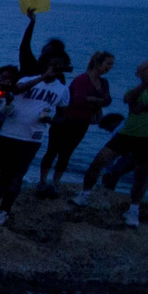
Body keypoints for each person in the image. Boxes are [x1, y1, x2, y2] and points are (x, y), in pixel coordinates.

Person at [73, 60, 148, 228]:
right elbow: (130, 101)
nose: (141, 74)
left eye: (144, 71)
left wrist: (146, 106)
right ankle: (84, 194)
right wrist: (145, 86)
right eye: (140, 72)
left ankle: (133, 210)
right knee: (99, 161)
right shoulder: (136, 90)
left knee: (141, 176)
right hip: (127, 134)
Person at [0, 56, 69, 228]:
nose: (53, 69)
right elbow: (16, 90)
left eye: (58, 67)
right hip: (6, 133)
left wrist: (51, 120)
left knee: (12, 178)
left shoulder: (62, 89)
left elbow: (62, 115)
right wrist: (42, 78)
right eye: (52, 65)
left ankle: (0, 209)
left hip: (31, 138)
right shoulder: (27, 80)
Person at [38, 50, 113, 196]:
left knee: (66, 153)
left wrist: (92, 99)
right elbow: (77, 99)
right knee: (52, 151)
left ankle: (55, 182)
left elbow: (107, 100)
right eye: (108, 64)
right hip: (65, 120)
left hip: (82, 122)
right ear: (98, 64)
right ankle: (42, 181)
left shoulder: (103, 83)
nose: (110, 67)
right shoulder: (82, 79)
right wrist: (96, 100)